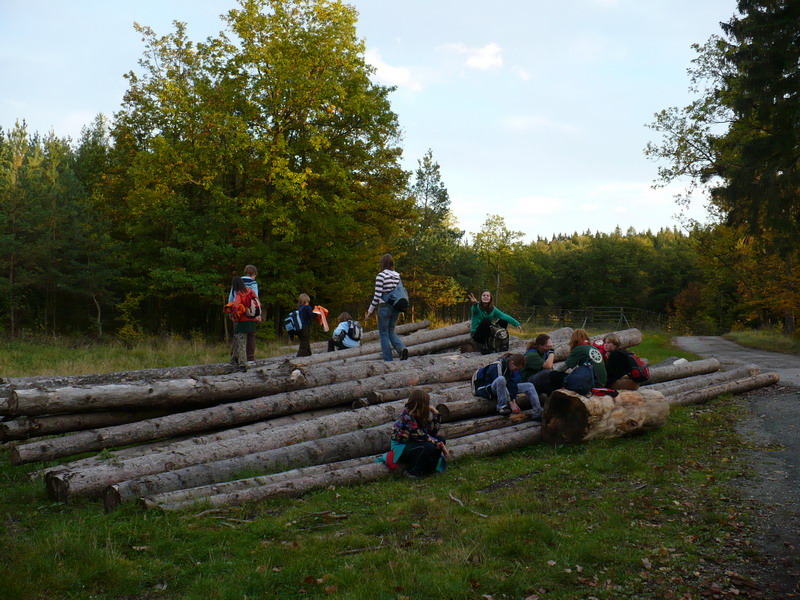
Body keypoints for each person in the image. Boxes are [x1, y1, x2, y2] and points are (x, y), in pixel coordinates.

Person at [385, 389, 448, 477]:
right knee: (428, 446)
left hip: (414, 443)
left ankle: (429, 468)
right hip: (401, 448)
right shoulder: (406, 418)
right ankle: (412, 471)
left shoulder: (419, 415)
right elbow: (422, 436)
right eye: (426, 403)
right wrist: (440, 445)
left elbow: (432, 432)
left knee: (440, 440)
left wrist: (436, 414)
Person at [473, 353, 543, 418]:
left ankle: (537, 412)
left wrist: (514, 401)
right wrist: (511, 404)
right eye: (516, 369)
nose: (516, 371)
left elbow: (512, 385)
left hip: (502, 388)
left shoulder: (510, 369)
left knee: (529, 385)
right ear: (512, 363)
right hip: (487, 389)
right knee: (501, 379)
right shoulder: (497, 366)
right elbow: (500, 384)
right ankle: (501, 407)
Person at [366, 254, 408, 362]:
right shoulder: (398, 276)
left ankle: (388, 360)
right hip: (396, 307)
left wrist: (370, 311)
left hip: (384, 307)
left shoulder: (381, 276)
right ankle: (401, 348)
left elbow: (377, 296)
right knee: (391, 331)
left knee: (384, 334)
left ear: (382, 263)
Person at [227, 276, 262, 371]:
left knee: (241, 341)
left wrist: (232, 314)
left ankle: (242, 364)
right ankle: (243, 358)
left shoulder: (239, 294)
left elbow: (236, 306)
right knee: (250, 339)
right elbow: (258, 302)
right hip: (252, 320)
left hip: (242, 321)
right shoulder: (251, 291)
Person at [295, 293, 315, 357]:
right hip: (305, 328)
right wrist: (318, 313)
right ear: (306, 301)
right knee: (304, 344)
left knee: (305, 342)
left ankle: (308, 355)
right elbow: (312, 315)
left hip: (298, 328)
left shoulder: (298, 308)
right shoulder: (307, 307)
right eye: (308, 302)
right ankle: (298, 358)